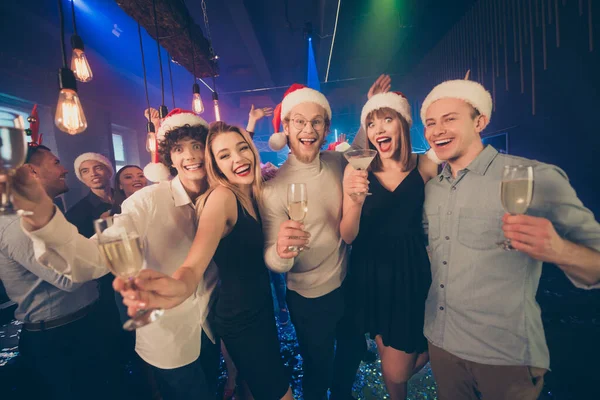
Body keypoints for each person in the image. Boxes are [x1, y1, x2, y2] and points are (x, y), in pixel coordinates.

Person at [8, 109, 221, 400]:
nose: (191, 156)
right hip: (169, 335)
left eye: (197, 146)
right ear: (169, 158)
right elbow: (93, 258)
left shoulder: (222, 196)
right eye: (179, 149)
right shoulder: (147, 200)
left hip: (212, 326)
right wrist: (45, 221)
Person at [420, 78, 600, 399]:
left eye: (450, 119)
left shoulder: (532, 176)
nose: (437, 130)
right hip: (442, 345)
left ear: (480, 121)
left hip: (505, 357)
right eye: (430, 123)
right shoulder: (433, 189)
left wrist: (560, 250)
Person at [116, 121, 294, 400]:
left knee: (254, 388)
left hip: (260, 309)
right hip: (241, 319)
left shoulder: (254, 191)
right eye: (224, 155)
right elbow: (192, 265)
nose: (238, 158)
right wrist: (178, 287)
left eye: (242, 148)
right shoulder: (221, 198)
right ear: (215, 166)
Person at [260, 83, 366, 400]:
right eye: (299, 121)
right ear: (287, 129)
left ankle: (344, 393)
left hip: (349, 281)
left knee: (353, 349)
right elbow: (272, 257)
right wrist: (281, 252)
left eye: (316, 121)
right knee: (317, 368)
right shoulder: (273, 187)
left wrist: (370, 106)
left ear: (326, 128)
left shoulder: (337, 162)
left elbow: (361, 152)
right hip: (308, 298)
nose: (308, 129)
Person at [0, 145, 120, 400]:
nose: (64, 169)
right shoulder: (18, 221)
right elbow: (68, 278)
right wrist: (115, 234)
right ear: (32, 171)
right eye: (55, 162)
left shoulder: (45, 213)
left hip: (82, 324)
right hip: (60, 338)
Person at [340, 92, 438, 399]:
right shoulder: (357, 169)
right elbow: (348, 235)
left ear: (403, 124)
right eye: (371, 123)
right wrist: (355, 203)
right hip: (369, 272)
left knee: (397, 369)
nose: (378, 129)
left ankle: (439, 351)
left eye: (387, 119)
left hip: (410, 271)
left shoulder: (425, 165)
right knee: (386, 354)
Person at [66, 152, 115, 238]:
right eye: (85, 171)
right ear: (82, 178)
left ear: (109, 172)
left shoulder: (128, 199)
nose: (93, 174)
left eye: (98, 168)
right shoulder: (74, 214)